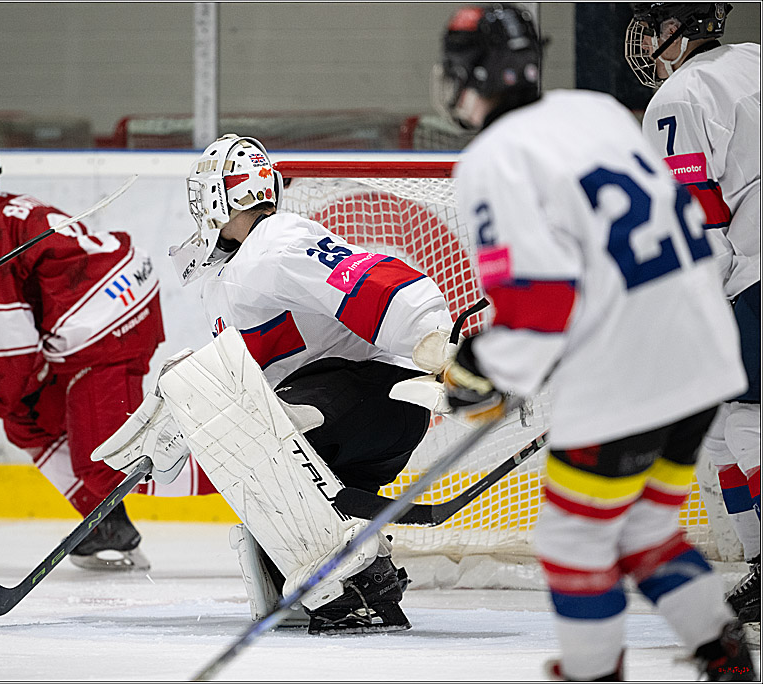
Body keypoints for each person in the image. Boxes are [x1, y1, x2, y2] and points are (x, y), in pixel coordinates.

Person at [430, 4, 758, 681]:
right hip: (705, 345)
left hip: (633, 372)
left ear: (469, 78)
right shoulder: (596, 111)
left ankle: (591, 672)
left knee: (574, 535)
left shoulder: (494, 158)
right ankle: (723, 652)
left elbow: (542, 303)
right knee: (640, 526)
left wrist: (481, 373)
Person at [92, 133, 455, 634]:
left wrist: (434, 338)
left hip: (367, 396)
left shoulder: (274, 241)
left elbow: (369, 279)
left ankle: (347, 573)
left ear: (217, 197)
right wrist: (183, 418)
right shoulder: (231, 277)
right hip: (352, 421)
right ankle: (361, 587)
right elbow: (245, 380)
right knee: (266, 518)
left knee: (256, 436)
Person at [0, 133, 200, 571]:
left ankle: (250, 478)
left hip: (105, 327)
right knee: (26, 415)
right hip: (100, 316)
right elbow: (11, 343)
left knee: (109, 465)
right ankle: (105, 527)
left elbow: (14, 352)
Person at [625, 1, 760, 630]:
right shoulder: (756, 62)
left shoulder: (678, 97)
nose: (647, 41)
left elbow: (695, 221)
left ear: (679, 28)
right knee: (721, 431)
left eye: (653, 27)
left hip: (750, 279)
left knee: (745, 428)